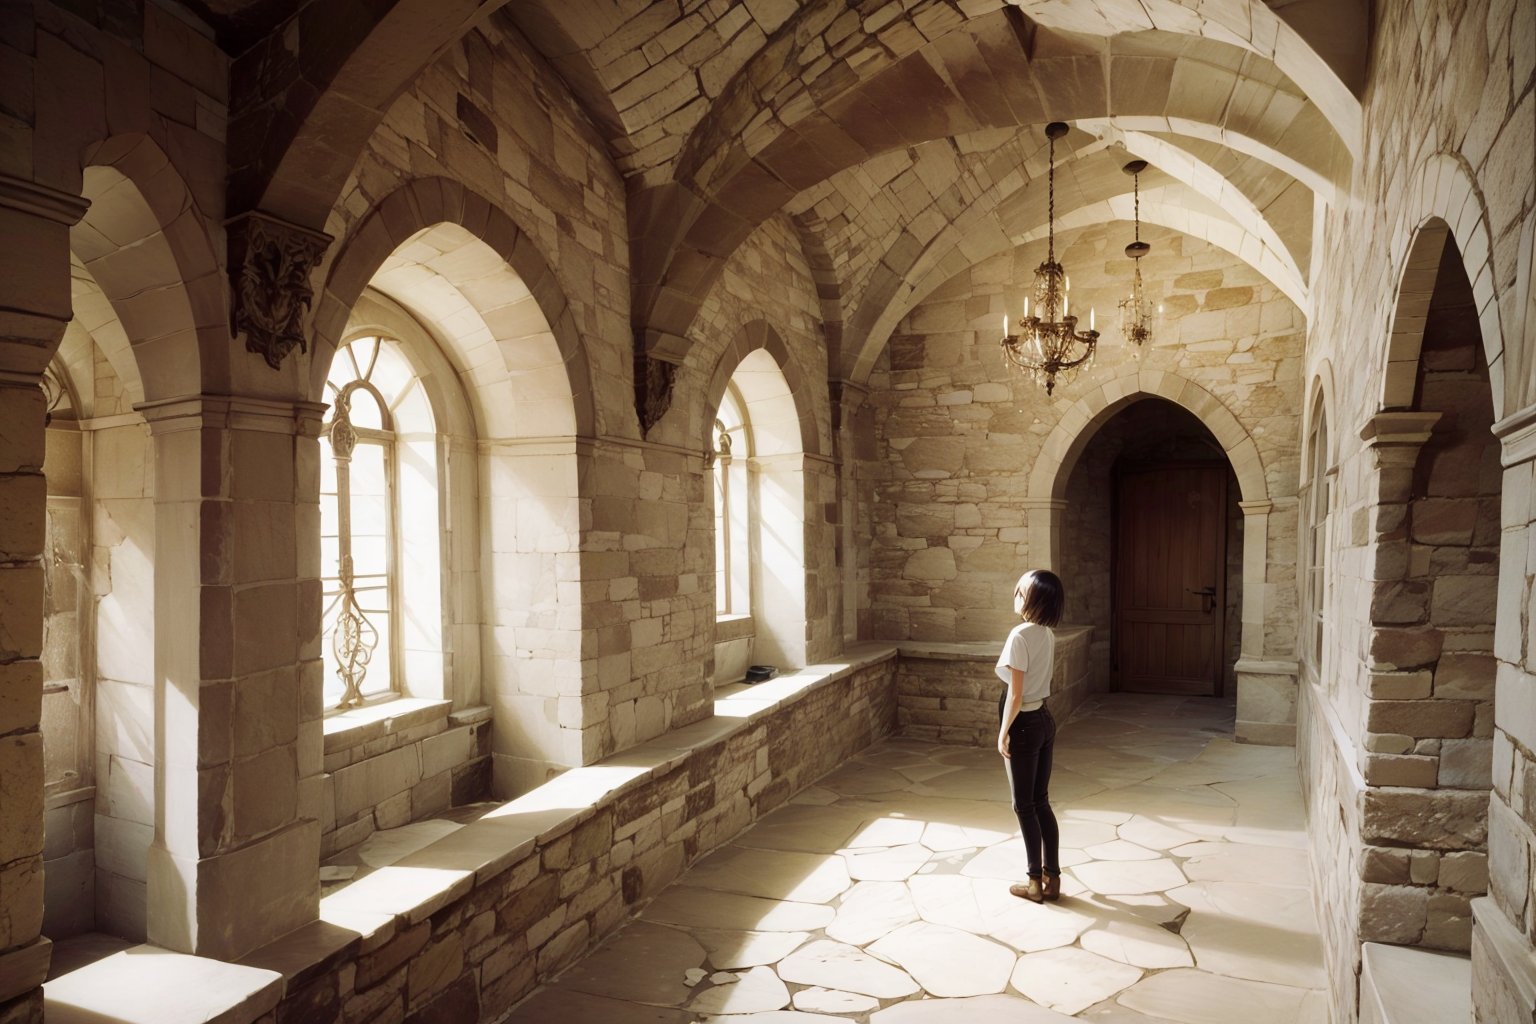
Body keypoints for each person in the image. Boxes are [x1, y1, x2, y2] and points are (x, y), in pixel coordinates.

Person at [996, 568, 1064, 903]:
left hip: (1023, 723)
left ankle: (1033, 882)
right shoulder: (1047, 633)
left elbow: (1015, 694)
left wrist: (1003, 732)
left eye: (1020, 589)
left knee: (1023, 805)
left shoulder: (1019, 635)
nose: (1015, 592)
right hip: (1044, 720)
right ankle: (1053, 879)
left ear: (1034, 598)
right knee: (1041, 802)